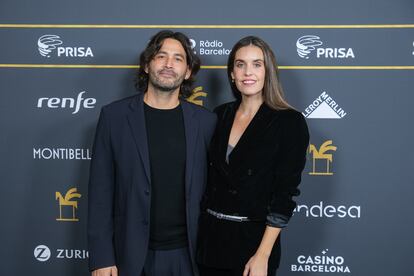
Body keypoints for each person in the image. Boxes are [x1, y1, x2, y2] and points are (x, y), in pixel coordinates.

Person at [87, 30, 216, 276]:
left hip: (189, 257)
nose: (169, 64)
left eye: (178, 58)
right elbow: (100, 193)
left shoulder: (206, 122)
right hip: (132, 256)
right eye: (161, 56)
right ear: (147, 65)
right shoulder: (114, 118)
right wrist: (101, 258)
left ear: (188, 71)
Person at [197, 36, 309, 276]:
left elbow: (284, 196)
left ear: (268, 71)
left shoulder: (289, 122)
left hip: (252, 248)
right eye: (240, 64)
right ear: (231, 73)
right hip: (209, 245)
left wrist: (262, 256)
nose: (248, 72)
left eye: (257, 64)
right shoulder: (220, 115)